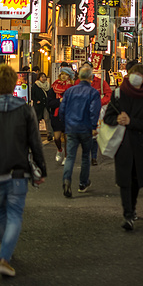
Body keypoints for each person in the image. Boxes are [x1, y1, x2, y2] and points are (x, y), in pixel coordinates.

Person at [0, 64, 47, 277]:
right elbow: (35, 142)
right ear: (14, 84)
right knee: (14, 214)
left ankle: (4, 251)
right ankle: (4, 257)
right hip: (17, 171)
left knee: (1, 214)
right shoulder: (25, 109)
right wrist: (42, 169)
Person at [104, 64, 143, 231]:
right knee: (124, 179)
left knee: (136, 179)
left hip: (139, 143)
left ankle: (132, 207)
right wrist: (117, 119)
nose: (136, 77)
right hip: (122, 143)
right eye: (134, 74)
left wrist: (131, 121)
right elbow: (107, 117)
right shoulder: (118, 93)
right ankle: (128, 214)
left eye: (140, 75)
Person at [59, 66, 101, 198]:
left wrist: (65, 122)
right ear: (90, 77)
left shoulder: (70, 91)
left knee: (70, 156)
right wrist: (94, 126)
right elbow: (94, 111)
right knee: (85, 156)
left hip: (71, 127)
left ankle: (66, 180)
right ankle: (83, 183)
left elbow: (62, 109)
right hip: (86, 128)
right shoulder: (93, 93)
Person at [75, 61, 112, 166]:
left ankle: (94, 157)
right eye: (84, 68)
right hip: (83, 111)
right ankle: (86, 155)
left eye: (88, 68)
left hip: (96, 112)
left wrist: (99, 103)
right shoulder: (78, 83)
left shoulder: (100, 82)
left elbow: (108, 94)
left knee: (94, 134)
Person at [47, 67, 74, 164]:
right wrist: (59, 101)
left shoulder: (72, 88)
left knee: (67, 137)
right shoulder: (53, 88)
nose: (64, 76)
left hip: (68, 115)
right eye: (62, 74)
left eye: (66, 75)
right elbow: (49, 103)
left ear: (69, 77)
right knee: (57, 137)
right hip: (56, 115)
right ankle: (59, 150)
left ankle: (67, 157)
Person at [31, 71, 53, 140]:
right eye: (42, 77)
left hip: (46, 105)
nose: (44, 78)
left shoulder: (48, 85)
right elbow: (32, 94)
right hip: (38, 105)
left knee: (47, 119)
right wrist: (36, 100)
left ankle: (49, 134)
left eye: (44, 77)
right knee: (37, 119)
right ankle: (36, 134)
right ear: (39, 78)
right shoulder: (35, 85)